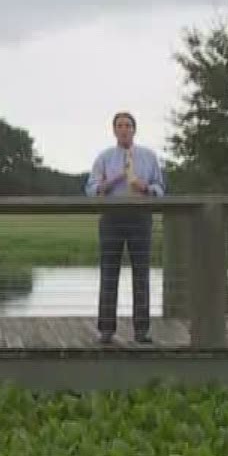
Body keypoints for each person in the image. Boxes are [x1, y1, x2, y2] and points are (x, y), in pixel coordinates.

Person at [84, 111, 166, 344]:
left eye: (128, 125)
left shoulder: (149, 157)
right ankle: (106, 330)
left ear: (134, 129)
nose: (124, 129)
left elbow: (160, 188)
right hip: (111, 219)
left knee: (141, 275)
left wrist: (146, 188)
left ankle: (142, 330)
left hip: (140, 218)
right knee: (109, 274)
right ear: (114, 130)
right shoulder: (105, 158)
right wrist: (112, 181)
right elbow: (90, 189)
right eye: (119, 125)